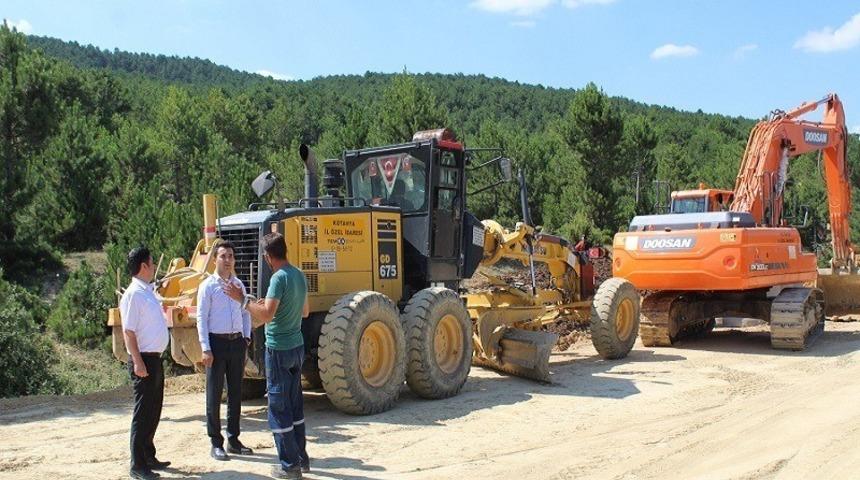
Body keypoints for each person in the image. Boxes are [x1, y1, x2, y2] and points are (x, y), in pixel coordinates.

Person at [225, 232, 309, 480]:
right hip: (297, 347)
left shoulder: (278, 279)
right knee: (295, 407)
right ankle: (301, 460)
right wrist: (268, 306)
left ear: (267, 257)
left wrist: (243, 300)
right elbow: (304, 312)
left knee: (279, 408)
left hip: (279, 350)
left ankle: (289, 467)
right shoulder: (298, 275)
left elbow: (267, 316)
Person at [196, 241, 254, 461]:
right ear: (214, 259)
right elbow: (201, 318)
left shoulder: (239, 284)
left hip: (236, 343)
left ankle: (234, 440)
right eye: (223, 256)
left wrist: (246, 337)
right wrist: (205, 348)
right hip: (216, 344)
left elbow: (246, 311)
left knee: (236, 394)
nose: (228, 260)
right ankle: (215, 442)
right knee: (214, 394)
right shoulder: (208, 286)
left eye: (231, 256)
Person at [120, 246, 170, 480]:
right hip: (144, 360)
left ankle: (149, 455)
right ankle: (137, 465)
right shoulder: (133, 294)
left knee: (153, 411)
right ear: (144, 266)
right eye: (151, 263)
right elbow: (128, 332)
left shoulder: (147, 291)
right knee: (142, 413)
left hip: (154, 359)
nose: (153, 268)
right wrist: (138, 362)